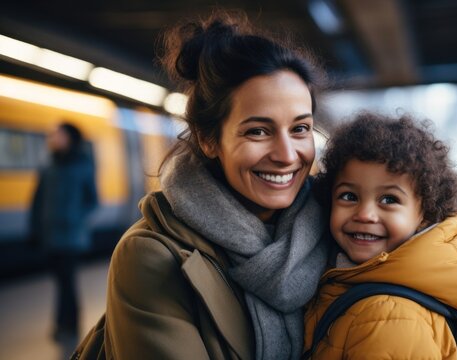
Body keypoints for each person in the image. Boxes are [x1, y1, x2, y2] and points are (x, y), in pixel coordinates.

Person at [101, 11, 329, 360]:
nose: (287, 155)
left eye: (300, 128)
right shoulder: (151, 258)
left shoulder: (341, 227)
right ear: (209, 139)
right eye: (258, 131)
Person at [303, 113, 457, 359]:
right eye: (349, 196)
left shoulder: (387, 318)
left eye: (389, 200)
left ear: (425, 215)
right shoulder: (351, 277)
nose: (365, 214)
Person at [29, 122, 98, 341]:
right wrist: (34, 228)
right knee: (61, 281)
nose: (54, 138)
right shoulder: (48, 166)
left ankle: (67, 325)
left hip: (71, 235)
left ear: (70, 138)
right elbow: (37, 201)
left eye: (58, 135)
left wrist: (75, 218)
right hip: (50, 234)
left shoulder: (83, 165)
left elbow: (93, 200)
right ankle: (64, 324)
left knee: (67, 280)